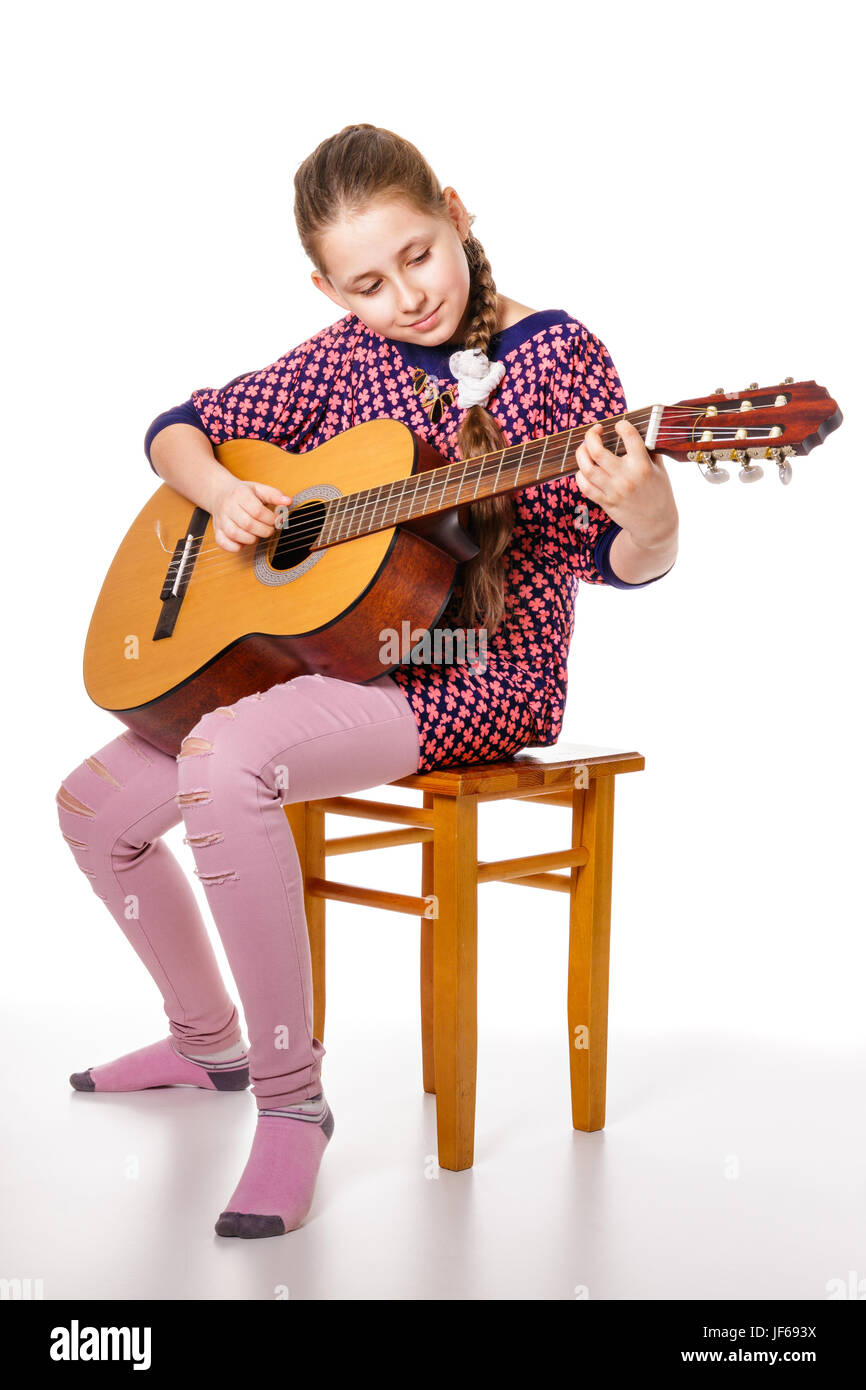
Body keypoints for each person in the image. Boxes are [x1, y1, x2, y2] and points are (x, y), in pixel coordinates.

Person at [57, 123, 678, 1240]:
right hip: (328, 658)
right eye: (367, 284)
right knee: (93, 809)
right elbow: (178, 430)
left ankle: (293, 1106)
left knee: (225, 755)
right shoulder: (341, 354)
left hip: (472, 670)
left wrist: (653, 522)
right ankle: (209, 1045)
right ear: (326, 287)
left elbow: (609, 553)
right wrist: (217, 494)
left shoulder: (556, 358)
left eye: (419, 256)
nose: (406, 297)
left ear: (454, 210)